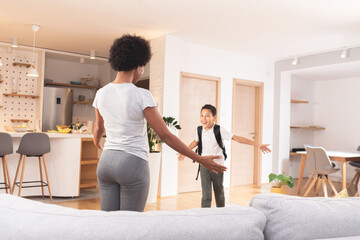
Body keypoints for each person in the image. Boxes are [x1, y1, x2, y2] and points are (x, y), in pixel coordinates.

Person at [92, 35, 226, 212]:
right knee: (129, 224)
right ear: (138, 65)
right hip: (131, 163)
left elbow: (98, 128)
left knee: (109, 221)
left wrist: (97, 143)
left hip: (106, 162)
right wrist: (199, 159)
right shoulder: (141, 94)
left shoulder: (101, 93)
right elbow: (164, 135)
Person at [178, 104, 271, 208]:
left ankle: (221, 212)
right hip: (204, 165)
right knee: (206, 194)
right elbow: (196, 141)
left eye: (207, 115)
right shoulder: (199, 130)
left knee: (219, 192)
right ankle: (204, 215)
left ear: (214, 117)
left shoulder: (219, 130)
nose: (204, 119)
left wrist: (258, 144)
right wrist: (184, 151)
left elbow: (237, 138)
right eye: (202, 115)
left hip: (218, 166)